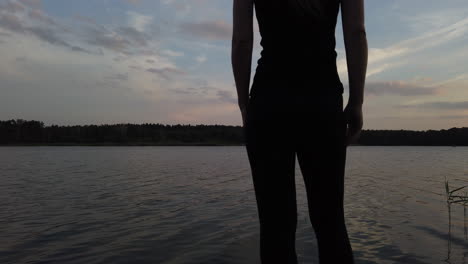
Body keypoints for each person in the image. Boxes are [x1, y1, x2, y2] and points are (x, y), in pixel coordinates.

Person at [231, 0, 368, 263]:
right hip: (323, 102)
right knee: (330, 222)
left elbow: (241, 41)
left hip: (269, 102)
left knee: (275, 227)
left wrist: (244, 103)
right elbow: (356, 32)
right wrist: (357, 101)